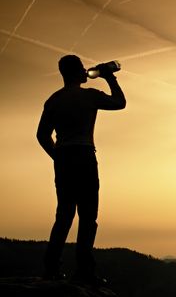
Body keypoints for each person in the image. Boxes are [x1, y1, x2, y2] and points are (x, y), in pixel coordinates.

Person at [37, 55, 126, 284]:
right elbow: (119, 102)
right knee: (88, 216)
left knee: (64, 215)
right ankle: (84, 272)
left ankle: (51, 269)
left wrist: (56, 155)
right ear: (77, 71)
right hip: (84, 156)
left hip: (64, 158)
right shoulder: (89, 96)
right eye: (82, 68)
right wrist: (109, 77)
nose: (86, 71)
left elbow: (42, 135)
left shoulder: (53, 100)